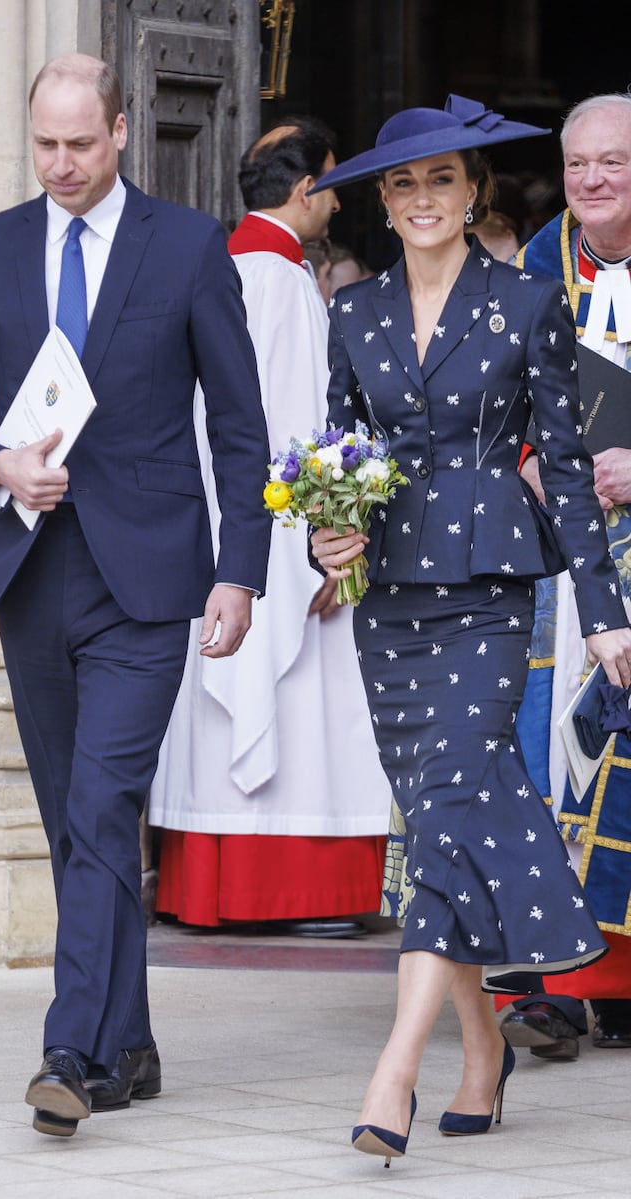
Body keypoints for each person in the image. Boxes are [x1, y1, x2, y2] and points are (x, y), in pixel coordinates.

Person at [0, 53, 271, 1138]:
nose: (59, 164)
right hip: (32, 570)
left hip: (151, 577)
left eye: (79, 143)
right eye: (43, 145)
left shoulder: (192, 246)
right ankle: (131, 1035)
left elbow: (240, 425)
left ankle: (71, 1046)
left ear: (120, 131)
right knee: (78, 821)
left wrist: (239, 567)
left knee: (103, 805)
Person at [305, 93, 631, 1166]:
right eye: (401, 184)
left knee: (446, 807)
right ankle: (482, 1050)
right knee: (439, 821)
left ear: (470, 190)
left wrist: (600, 615)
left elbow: (571, 471)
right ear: (384, 204)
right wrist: (323, 536)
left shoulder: (528, 301)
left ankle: (393, 1070)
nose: (421, 199)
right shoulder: (349, 315)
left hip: (490, 588)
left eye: (440, 179)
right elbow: (335, 455)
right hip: (389, 599)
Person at [150, 121, 392, 931]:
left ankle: (216, 885)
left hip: (215, 524)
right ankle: (292, 889)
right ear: (305, 191)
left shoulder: (224, 266)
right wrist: (318, 545)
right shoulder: (277, 281)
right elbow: (290, 433)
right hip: (276, 532)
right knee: (294, 700)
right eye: (332, 184)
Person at [500, 93, 631, 1061]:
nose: (590, 179)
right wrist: (533, 462)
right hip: (564, 551)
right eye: (578, 162)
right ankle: (556, 978)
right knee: (556, 752)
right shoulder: (538, 262)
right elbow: (500, 394)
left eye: (612, 163)